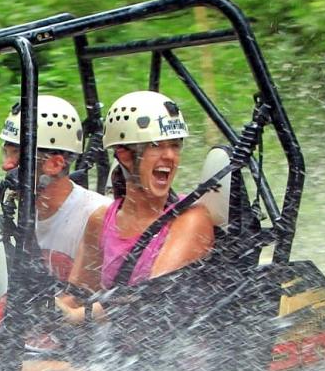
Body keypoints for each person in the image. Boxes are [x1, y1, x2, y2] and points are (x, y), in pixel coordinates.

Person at [66, 90, 216, 295]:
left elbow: (149, 301)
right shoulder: (100, 221)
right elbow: (75, 296)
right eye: (156, 145)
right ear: (124, 155)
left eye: (175, 145)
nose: (171, 156)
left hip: (161, 325)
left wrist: (84, 315)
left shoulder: (191, 219)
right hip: (111, 324)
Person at [0, 94, 108, 282]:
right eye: (5, 153)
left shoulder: (96, 217)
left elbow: (86, 304)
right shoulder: (21, 212)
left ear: (55, 165)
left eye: (16, 153)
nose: (6, 166)